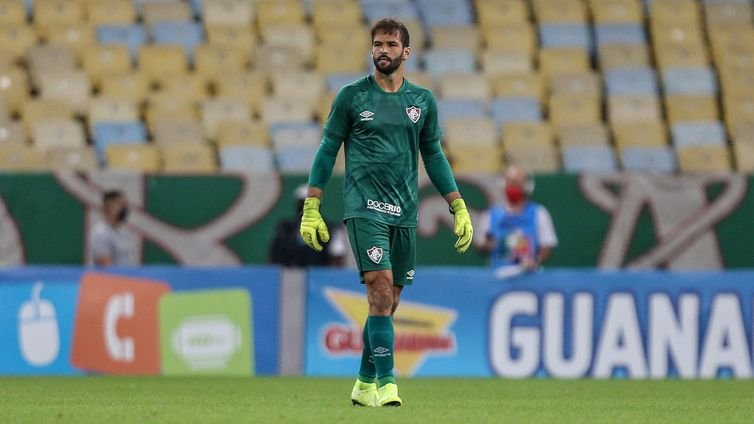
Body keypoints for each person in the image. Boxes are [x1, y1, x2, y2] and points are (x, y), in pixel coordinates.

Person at [299, 18, 473, 407]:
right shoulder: (350, 97)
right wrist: (313, 204)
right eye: (377, 44)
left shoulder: (422, 102)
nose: (383, 51)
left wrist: (457, 204)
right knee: (379, 287)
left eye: (391, 45)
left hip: (405, 213)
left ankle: (363, 383)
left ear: (406, 53)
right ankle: (388, 383)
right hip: (364, 208)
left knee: (388, 304)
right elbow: (328, 149)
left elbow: (434, 154)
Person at [477, 166, 557, 276]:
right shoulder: (490, 215)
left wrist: (536, 260)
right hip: (498, 275)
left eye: (516, 183)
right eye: (509, 182)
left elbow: (547, 245)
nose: (512, 187)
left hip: (528, 275)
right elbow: (481, 246)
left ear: (526, 186)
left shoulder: (539, 213)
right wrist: (487, 244)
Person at [268, 184, 347, 267]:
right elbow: (273, 260)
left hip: (319, 277)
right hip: (288, 277)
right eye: (303, 205)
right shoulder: (284, 230)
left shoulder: (332, 230)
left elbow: (336, 262)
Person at [90, 190, 138, 266]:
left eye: (126, 205)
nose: (125, 209)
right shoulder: (101, 233)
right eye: (121, 205)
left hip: (128, 276)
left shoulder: (123, 233)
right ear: (108, 208)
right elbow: (106, 265)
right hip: (112, 277)